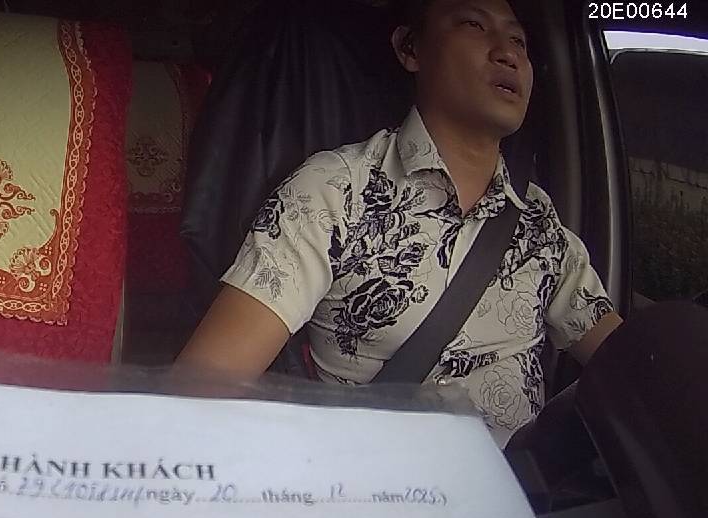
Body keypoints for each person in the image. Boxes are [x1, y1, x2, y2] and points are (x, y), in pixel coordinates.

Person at [175, 0, 622, 445]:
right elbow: (203, 392)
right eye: (473, 24)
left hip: (525, 485)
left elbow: (629, 364)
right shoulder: (335, 190)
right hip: (384, 479)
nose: (507, 53)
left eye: (518, 40)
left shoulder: (539, 219)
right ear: (410, 49)